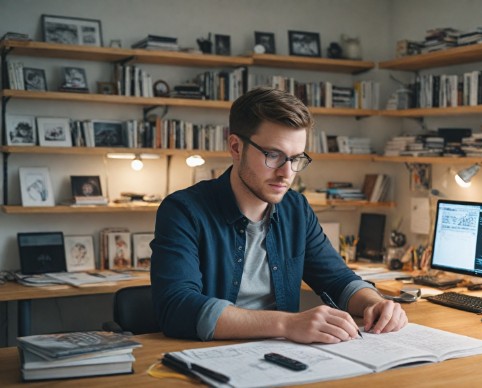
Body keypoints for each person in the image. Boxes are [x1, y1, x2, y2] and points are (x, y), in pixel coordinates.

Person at [151, 87, 407, 343]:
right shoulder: (183, 211)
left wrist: (374, 303)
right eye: (273, 155)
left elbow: (338, 279)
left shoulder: (296, 209)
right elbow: (177, 308)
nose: (287, 173)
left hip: (284, 359)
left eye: (296, 159)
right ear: (236, 147)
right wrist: (287, 324)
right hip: (209, 358)